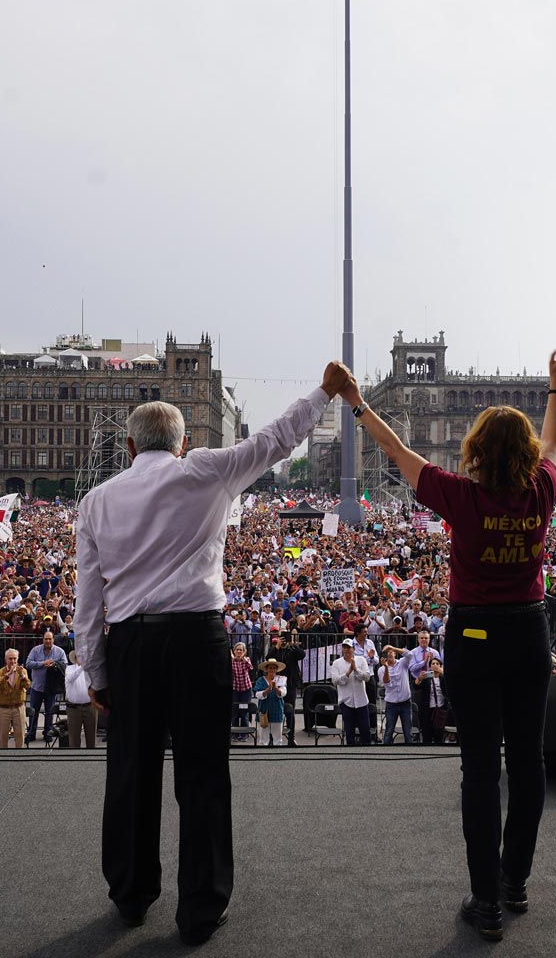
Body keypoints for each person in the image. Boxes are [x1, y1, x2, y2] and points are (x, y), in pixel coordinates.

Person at [73, 360, 350, 946]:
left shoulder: (97, 501)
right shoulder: (207, 471)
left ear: (128, 447)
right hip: (198, 639)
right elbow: (274, 440)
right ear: (183, 443)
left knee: (130, 771)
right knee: (202, 772)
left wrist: (96, 671)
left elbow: (88, 598)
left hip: (130, 644)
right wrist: (324, 391)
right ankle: (200, 908)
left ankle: (130, 894)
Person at [350, 344, 556, 943]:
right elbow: (554, 444)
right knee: (527, 761)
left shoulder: (461, 495)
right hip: (529, 630)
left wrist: (356, 403)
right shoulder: (541, 489)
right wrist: (555, 384)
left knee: (479, 770)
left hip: (474, 633)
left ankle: (485, 902)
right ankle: (515, 881)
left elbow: (398, 452)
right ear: (525, 454)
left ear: (475, 449)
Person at [25, 630, 68, 742]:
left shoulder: (60, 651)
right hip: (36, 687)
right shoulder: (35, 650)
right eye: (46, 639)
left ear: (53, 640)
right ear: (43, 640)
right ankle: (31, 733)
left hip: (51, 687)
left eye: (50, 639)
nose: (48, 641)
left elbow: (65, 665)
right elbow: (28, 664)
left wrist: (55, 665)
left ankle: (47, 733)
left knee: (50, 712)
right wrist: (43, 663)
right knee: (33, 712)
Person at [330, 638, 373, 745]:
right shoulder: (336, 663)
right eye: (344, 647)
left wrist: (356, 670)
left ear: (353, 649)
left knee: (365, 731)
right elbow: (335, 681)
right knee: (349, 732)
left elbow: (367, 677)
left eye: (348, 648)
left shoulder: (361, 660)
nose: (346, 650)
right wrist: (348, 673)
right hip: (346, 702)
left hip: (361, 701)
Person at [0, 648, 30, 749]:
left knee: (20, 735)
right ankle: (3, 755)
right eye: (10, 659)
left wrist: (22, 675)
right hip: (4, 708)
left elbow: (27, 685)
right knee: (3, 735)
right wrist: (7, 675)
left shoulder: (23, 671)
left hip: (18, 707)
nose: (13, 661)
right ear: (6, 659)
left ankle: (19, 755)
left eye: (14, 658)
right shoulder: (0, 672)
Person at [380, 646, 415, 745]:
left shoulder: (402, 663)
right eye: (386, 652)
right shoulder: (381, 670)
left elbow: (410, 655)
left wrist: (393, 648)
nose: (389, 653)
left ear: (395, 653)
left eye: (391, 652)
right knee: (389, 731)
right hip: (391, 704)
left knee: (408, 732)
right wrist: (386, 668)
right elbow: (387, 684)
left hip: (405, 703)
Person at [65, 652, 98, 748]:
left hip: (90, 707)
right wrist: (82, 667)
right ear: (75, 658)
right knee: (74, 740)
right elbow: (70, 679)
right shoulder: (69, 669)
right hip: (74, 708)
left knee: (91, 738)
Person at [252, 660, 287, 746]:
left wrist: (276, 688)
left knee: (278, 739)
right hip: (264, 711)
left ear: (277, 669)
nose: (272, 670)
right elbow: (257, 694)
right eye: (270, 668)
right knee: (263, 739)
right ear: (266, 669)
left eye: (274, 668)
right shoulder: (260, 680)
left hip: (277, 710)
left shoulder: (281, 679)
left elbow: (283, 693)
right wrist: (268, 689)